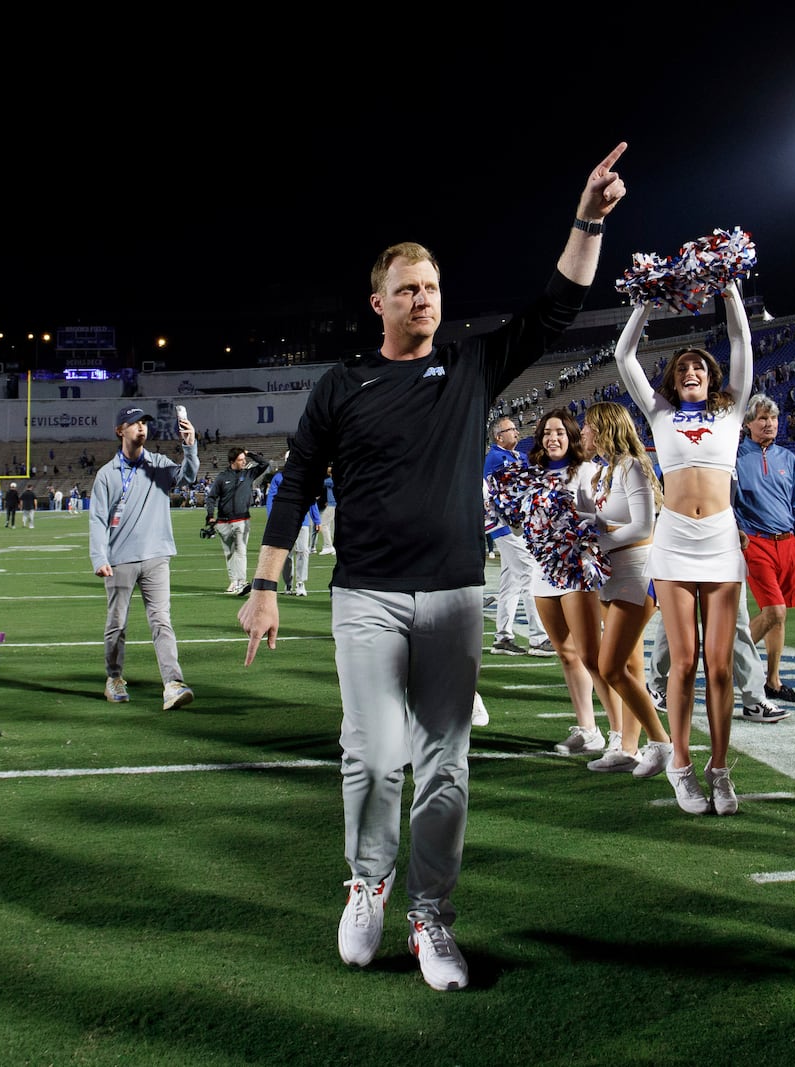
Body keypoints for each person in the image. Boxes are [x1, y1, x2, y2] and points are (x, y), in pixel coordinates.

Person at [238, 143, 627, 992]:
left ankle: (431, 914)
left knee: (444, 763)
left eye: (433, 287)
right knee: (374, 757)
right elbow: (298, 481)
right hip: (367, 597)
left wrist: (588, 218)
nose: (423, 298)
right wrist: (264, 585)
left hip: (454, 596)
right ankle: (368, 882)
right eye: (408, 288)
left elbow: (560, 304)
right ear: (377, 301)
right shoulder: (341, 384)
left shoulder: (473, 366)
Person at [615, 277, 755, 815]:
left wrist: (729, 288)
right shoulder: (658, 413)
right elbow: (624, 353)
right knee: (684, 662)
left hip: (720, 540)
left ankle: (720, 770)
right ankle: (681, 765)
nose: (691, 372)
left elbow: (741, 342)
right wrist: (645, 302)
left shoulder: (732, 410)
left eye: (699, 367)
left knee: (720, 666)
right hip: (673, 541)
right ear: (673, 380)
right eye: (682, 369)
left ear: (711, 376)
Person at [577, 401, 674, 776]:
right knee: (629, 663)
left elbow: (644, 526)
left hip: (636, 572)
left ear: (604, 429)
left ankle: (661, 742)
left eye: (588, 426)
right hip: (611, 575)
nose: (583, 432)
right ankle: (630, 749)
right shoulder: (602, 472)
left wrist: (597, 542)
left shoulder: (633, 467)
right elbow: (603, 519)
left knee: (611, 666)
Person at [88, 406, 200, 710]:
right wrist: (99, 556)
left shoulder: (158, 464)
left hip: (157, 555)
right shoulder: (107, 475)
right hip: (120, 559)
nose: (141, 428)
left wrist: (189, 446)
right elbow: (98, 519)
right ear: (119, 430)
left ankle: (173, 684)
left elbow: (187, 477)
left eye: (144, 423)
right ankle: (114, 678)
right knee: (117, 624)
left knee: (162, 621)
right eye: (134, 423)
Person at [527, 407, 621, 756]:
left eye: (560, 433)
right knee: (566, 654)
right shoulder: (531, 473)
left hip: (578, 569)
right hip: (543, 571)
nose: (553, 438)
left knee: (592, 657)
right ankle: (587, 729)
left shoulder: (587, 471)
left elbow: (599, 518)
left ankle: (618, 733)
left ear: (571, 437)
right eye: (547, 432)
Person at [734, 393, 795, 704]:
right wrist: (738, 532)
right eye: (762, 418)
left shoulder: (787, 458)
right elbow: (729, 502)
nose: (769, 424)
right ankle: (726, 663)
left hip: (788, 543)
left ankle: (773, 681)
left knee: (780, 616)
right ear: (748, 423)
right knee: (773, 611)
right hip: (756, 542)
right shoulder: (735, 457)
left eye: (773, 418)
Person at [483, 416, 550, 657]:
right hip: (504, 523)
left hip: (514, 524)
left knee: (510, 581)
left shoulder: (517, 456)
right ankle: (539, 637)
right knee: (529, 572)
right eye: (511, 430)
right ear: (499, 436)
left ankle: (502, 637)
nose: (516, 432)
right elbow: (509, 490)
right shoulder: (495, 458)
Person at [206, 446, 272, 594]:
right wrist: (210, 515)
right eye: (240, 460)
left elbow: (265, 464)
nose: (243, 462)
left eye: (244, 459)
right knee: (229, 552)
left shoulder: (249, 473)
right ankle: (234, 582)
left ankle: (241, 582)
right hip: (223, 521)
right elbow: (211, 497)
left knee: (240, 551)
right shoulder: (222, 477)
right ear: (232, 461)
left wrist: (250, 453)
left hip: (242, 520)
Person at [265, 450, 321, 596]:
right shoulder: (278, 477)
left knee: (303, 551)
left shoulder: (305, 477)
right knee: (286, 554)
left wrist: (317, 519)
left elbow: (311, 499)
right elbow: (271, 498)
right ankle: (288, 584)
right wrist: (273, 518)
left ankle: (301, 583)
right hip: (284, 521)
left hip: (302, 521)